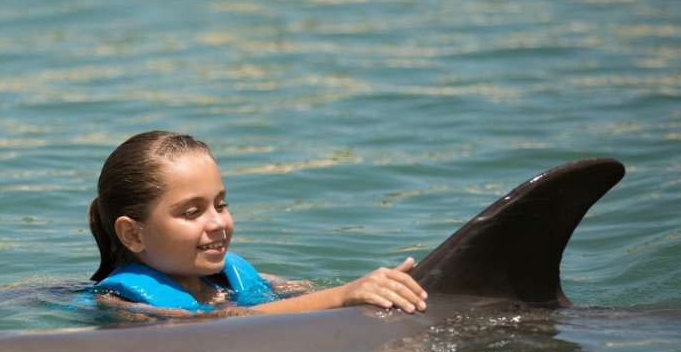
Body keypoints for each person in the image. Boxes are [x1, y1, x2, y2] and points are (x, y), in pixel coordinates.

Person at [88, 130, 427, 316]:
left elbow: (305, 294)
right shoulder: (123, 305)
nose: (217, 222)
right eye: (192, 212)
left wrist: (379, 289)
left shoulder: (226, 280)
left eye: (221, 205)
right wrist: (345, 295)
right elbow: (217, 327)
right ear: (133, 234)